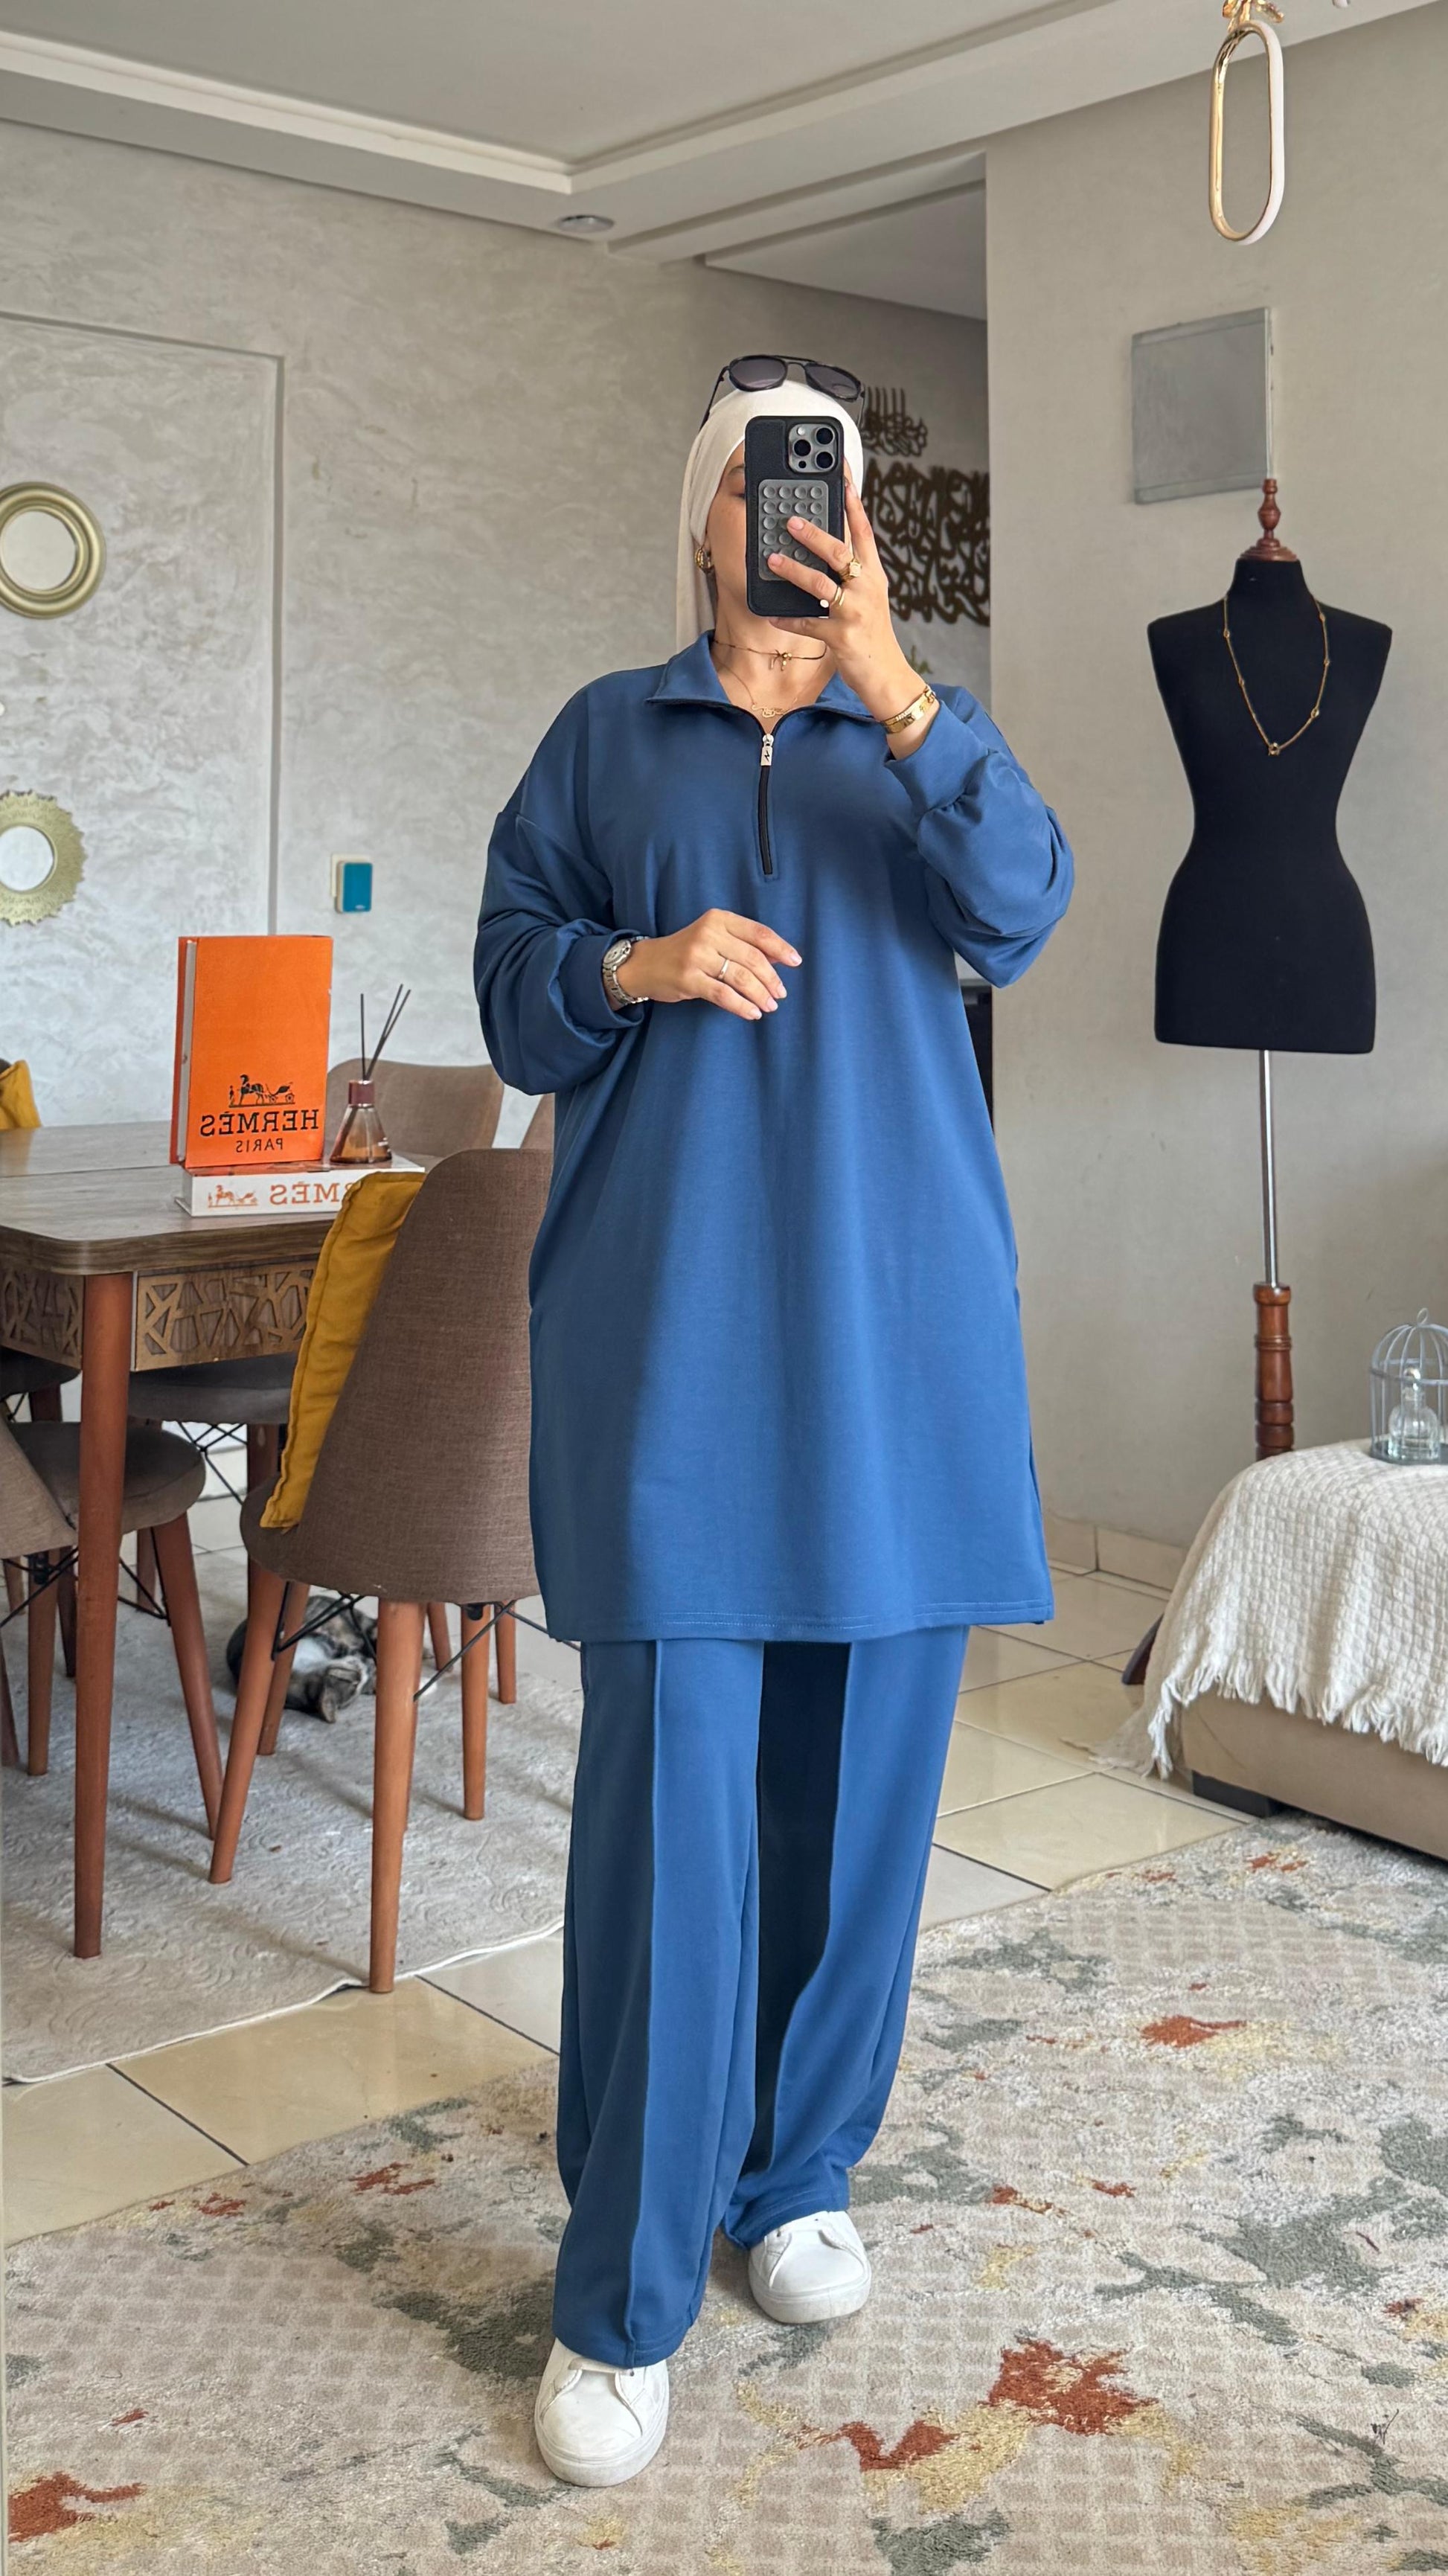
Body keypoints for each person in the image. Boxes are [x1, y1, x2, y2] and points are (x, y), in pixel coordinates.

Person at [475, 358, 1073, 2488]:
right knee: (670, 1834)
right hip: (671, 1345)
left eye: (822, 482)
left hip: (899, 1344)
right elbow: (511, 987)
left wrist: (900, 685)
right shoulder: (600, 734)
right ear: (703, 517)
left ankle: (795, 2173)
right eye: (758, 476)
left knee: (863, 1804)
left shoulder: (922, 739)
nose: (791, 510)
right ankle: (622, 2295)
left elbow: (1025, 909)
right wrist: (634, 967)